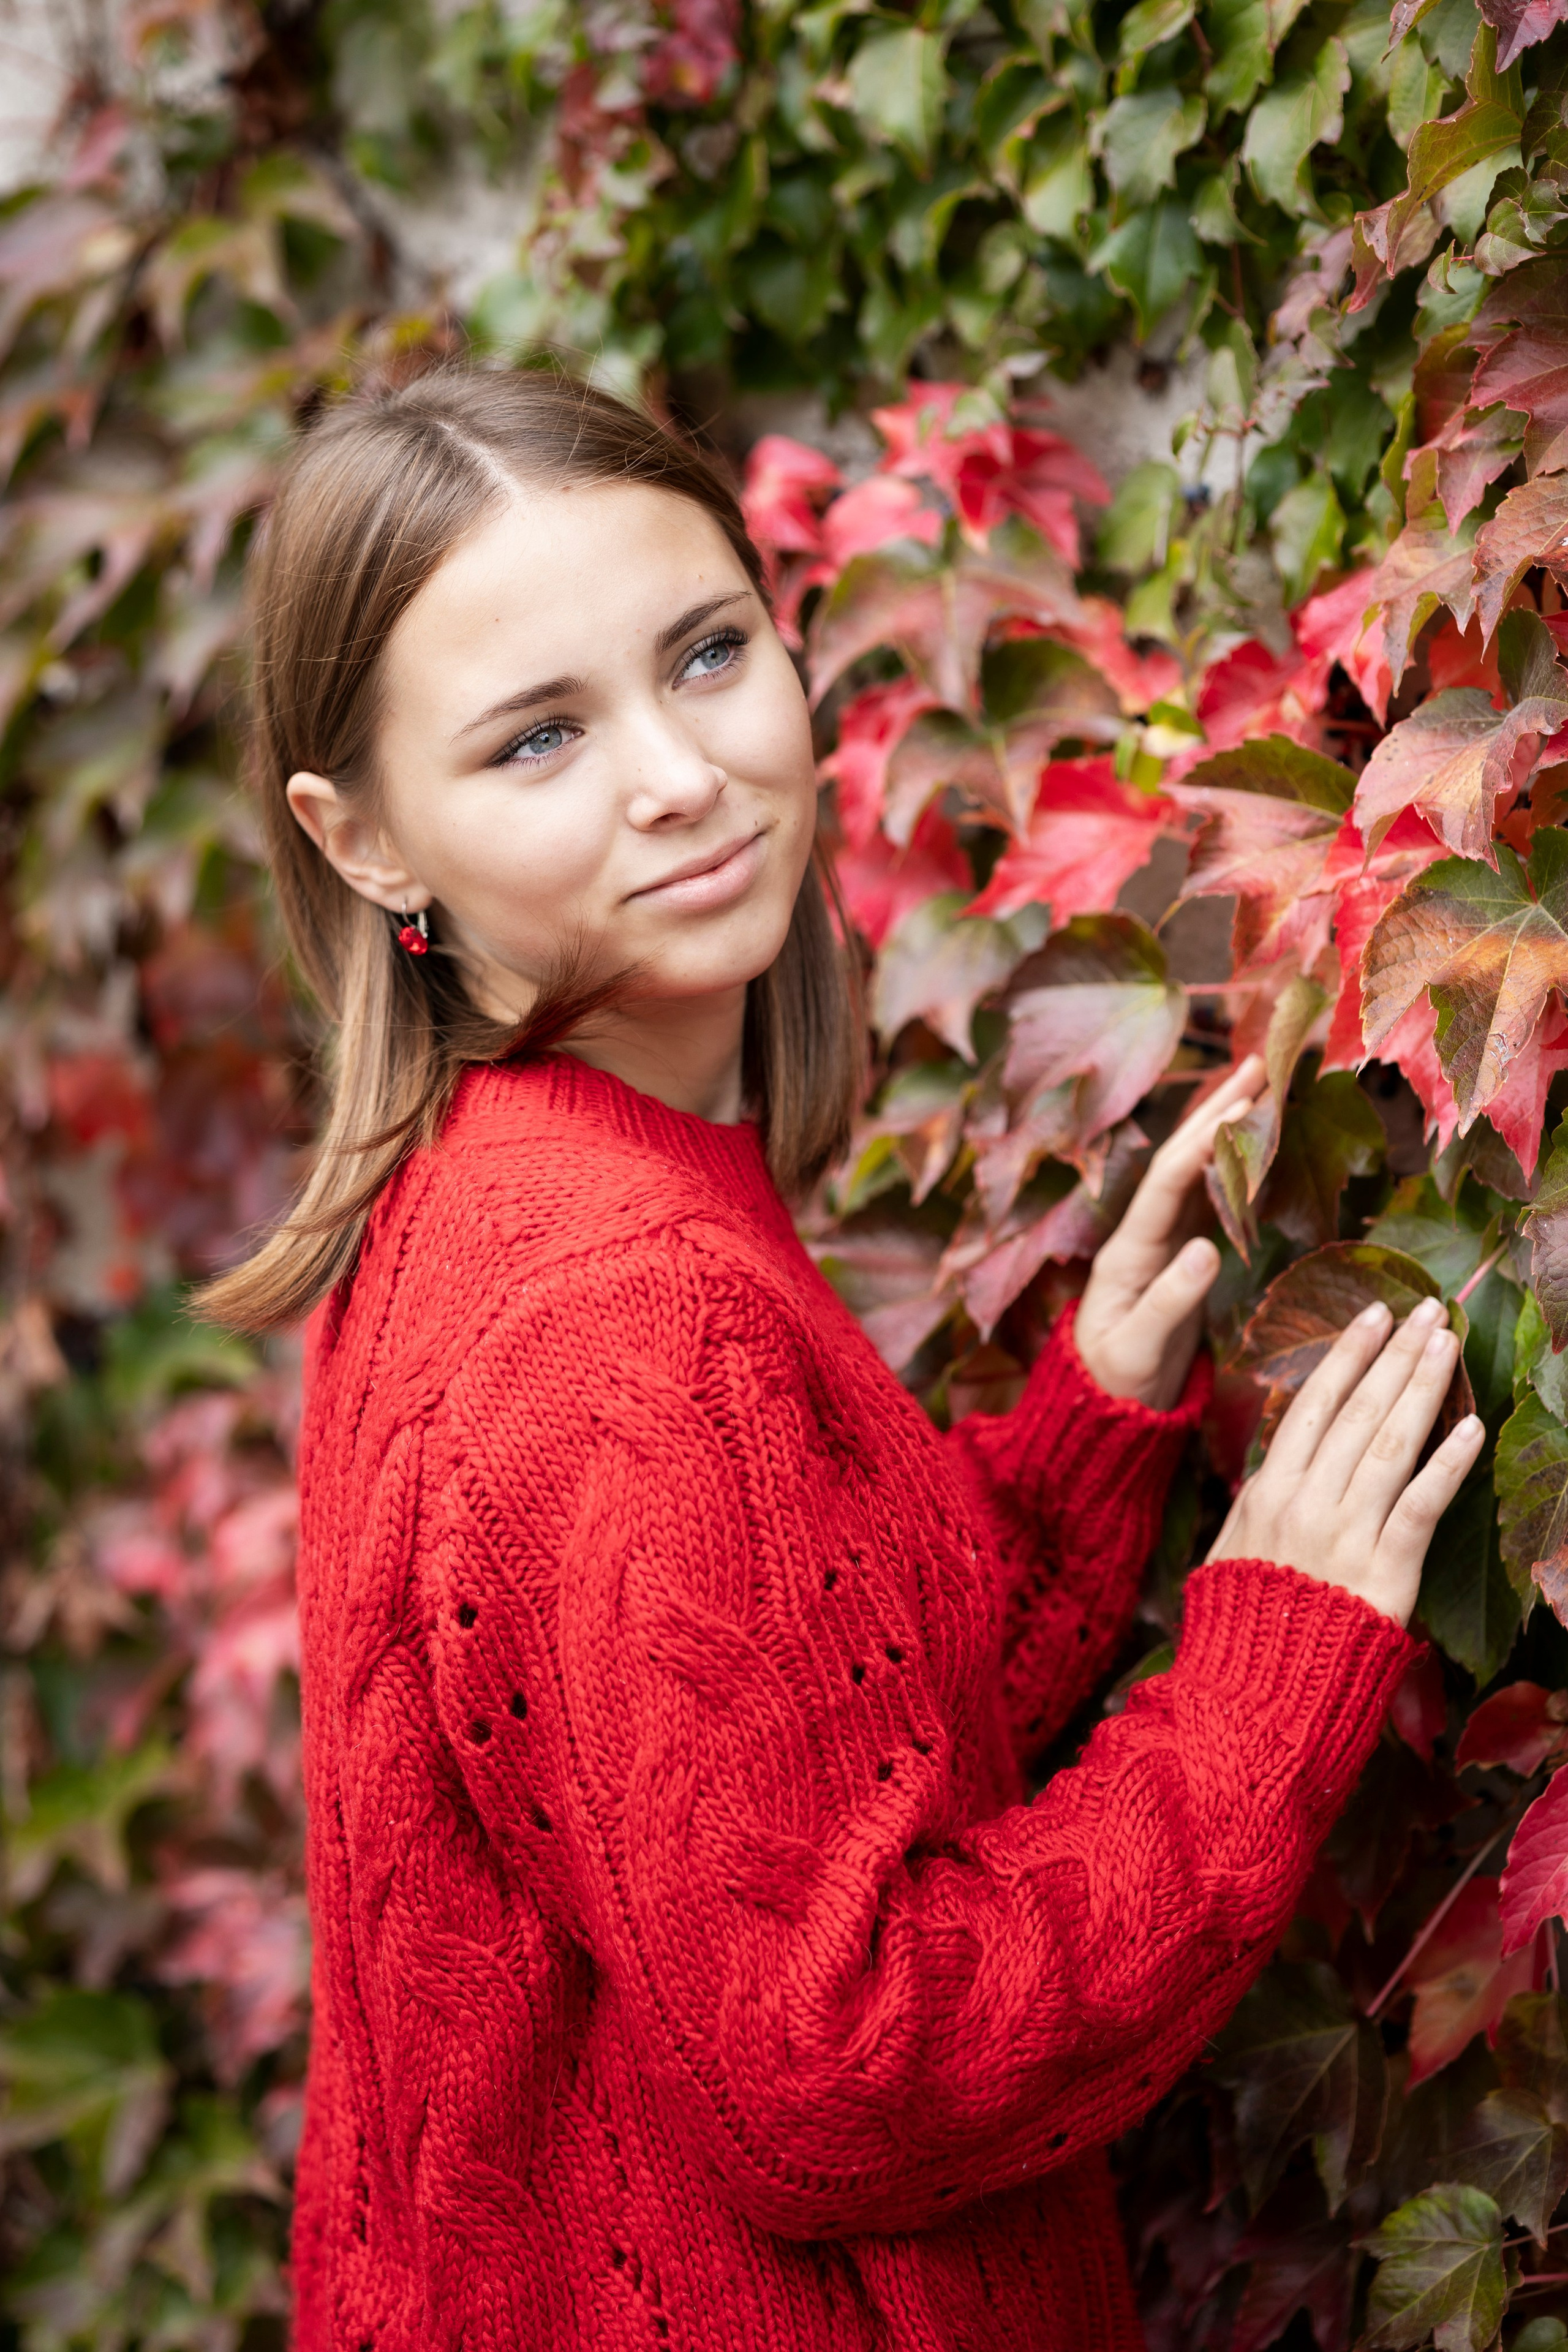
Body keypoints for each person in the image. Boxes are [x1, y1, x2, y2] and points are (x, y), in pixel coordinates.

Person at [202, 367, 1484, 2352]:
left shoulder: (476, 1192)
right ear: (364, 841)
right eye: (539, 736)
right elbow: (846, 2065)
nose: (679, 773)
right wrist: (1257, 1685)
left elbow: (747, 1782)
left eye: (705, 654)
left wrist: (1074, 1449)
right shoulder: (617, 1306)